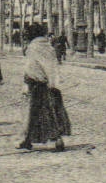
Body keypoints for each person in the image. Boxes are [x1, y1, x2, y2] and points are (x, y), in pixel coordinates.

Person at [17, 21, 70, 151]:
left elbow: (30, 67)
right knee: (51, 112)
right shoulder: (49, 47)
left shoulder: (32, 48)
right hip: (48, 84)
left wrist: (26, 82)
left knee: (31, 113)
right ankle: (55, 140)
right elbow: (52, 67)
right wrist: (53, 83)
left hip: (34, 84)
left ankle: (28, 139)